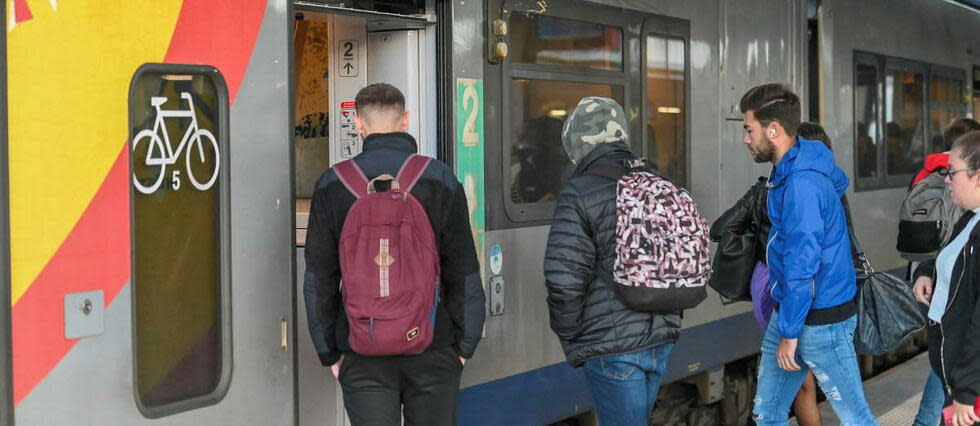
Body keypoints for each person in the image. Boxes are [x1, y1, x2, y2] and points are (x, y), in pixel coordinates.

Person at [303, 83, 486, 426]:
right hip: (433, 346)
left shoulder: (332, 184)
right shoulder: (439, 178)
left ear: (358, 123)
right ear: (405, 120)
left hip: (361, 349)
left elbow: (319, 278)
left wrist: (329, 352)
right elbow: (463, 270)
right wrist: (464, 346)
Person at [740, 83, 876, 425]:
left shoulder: (802, 185)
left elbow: (802, 261)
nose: (746, 139)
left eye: (749, 129)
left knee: (856, 417)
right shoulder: (790, 170)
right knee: (767, 413)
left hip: (821, 319)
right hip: (792, 309)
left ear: (773, 130)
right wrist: (787, 324)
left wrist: (790, 334)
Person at [544, 97, 680, 426]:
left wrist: (571, 333)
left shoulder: (580, 191)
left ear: (577, 141)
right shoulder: (656, 182)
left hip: (611, 344)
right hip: (659, 335)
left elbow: (564, 278)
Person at [910, 117, 980, 426]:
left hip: (967, 389)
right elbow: (945, 254)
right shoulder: (969, 221)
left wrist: (966, 390)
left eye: (952, 173)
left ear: (978, 175)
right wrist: (925, 271)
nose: (947, 180)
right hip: (954, 375)